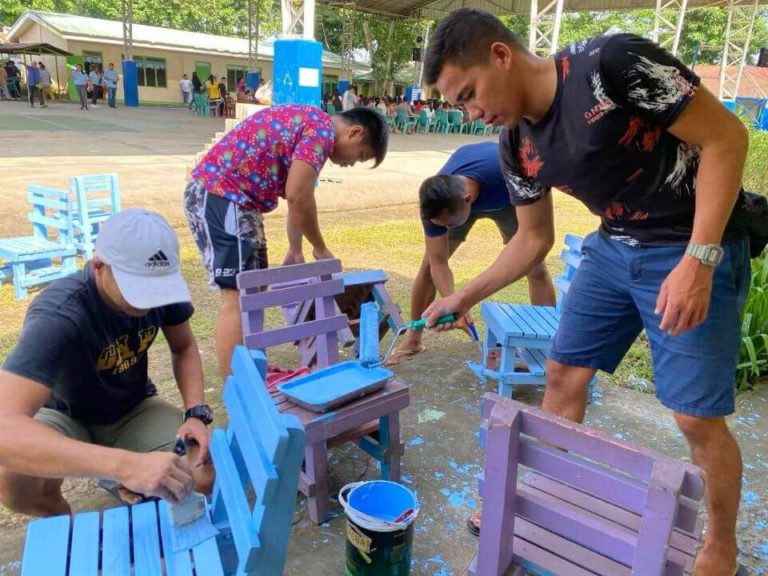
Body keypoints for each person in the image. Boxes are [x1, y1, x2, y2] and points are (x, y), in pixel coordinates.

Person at [422, 9, 750, 576]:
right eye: (460, 104)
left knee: (694, 419)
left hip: (689, 240)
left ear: (501, 54)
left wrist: (700, 259)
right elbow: (533, 240)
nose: (472, 111)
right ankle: (544, 498)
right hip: (614, 246)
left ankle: (719, 545)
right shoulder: (515, 144)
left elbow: (727, 137)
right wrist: (464, 295)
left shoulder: (612, 64)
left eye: (471, 93)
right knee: (561, 375)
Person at [0, 209, 215, 517]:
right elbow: (4, 430)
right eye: (137, 289)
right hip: (64, 416)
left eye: (157, 289)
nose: (150, 301)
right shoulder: (60, 313)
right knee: (15, 483)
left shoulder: (161, 289)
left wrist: (195, 412)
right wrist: (123, 466)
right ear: (99, 266)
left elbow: (184, 347)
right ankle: (69, 531)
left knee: (202, 473)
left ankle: (125, 478)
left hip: (132, 408)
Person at [184, 105, 388, 378]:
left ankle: (253, 371)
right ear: (354, 132)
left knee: (253, 293)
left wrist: (295, 248)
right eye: (359, 156)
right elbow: (297, 196)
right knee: (238, 297)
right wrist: (319, 248)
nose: (351, 163)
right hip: (221, 194)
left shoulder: (315, 128)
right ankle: (239, 388)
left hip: (240, 202)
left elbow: (298, 199)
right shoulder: (321, 130)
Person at [389, 141, 556, 365]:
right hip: (460, 201)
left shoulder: (512, 170)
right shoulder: (434, 202)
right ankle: (413, 339)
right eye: (440, 226)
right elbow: (438, 262)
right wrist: (452, 301)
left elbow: (538, 239)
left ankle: (547, 345)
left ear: (467, 201)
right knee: (428, 267)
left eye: (447, 225)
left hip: (509, 198)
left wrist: (462, 299)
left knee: (537, 269)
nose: (443, 230)